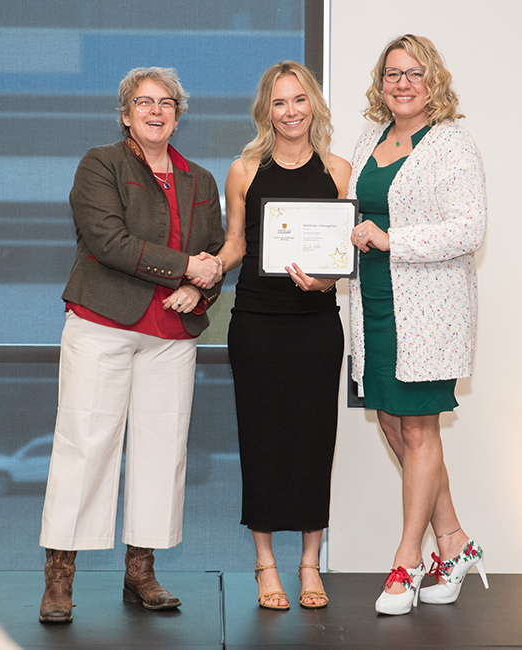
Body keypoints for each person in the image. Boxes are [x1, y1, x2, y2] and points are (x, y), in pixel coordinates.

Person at [37, 66, 225, 623]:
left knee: (162, 452)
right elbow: (108, 241)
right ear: (125, 115)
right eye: (143, 102)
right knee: (84, 447)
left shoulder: (201, 179)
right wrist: (186, 268)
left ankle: (140, 572)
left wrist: (199, 286)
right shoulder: (100, 163)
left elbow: (214, 254)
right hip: (103, 325)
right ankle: (59, 580)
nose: (155, 110)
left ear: (178, 115)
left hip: (171, 336)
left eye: (166, 102)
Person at [347, 35, 488, 616]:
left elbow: (469, 229)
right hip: (373, 304)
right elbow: (354, 216)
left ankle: (407, 560)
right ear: (380, 84)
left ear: (433, 81)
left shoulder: (452, 143)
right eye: (392, 74)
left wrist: (392, 240)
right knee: (391, 421)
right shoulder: (369, 139)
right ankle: (454, 544)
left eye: (414, 73)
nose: (402, 83)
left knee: (419, 429)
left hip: (428, 311)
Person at [211, 61, 350, 610]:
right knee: (262, 441)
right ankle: (265, 564)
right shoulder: (243, 170)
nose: (291, 112)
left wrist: (326, 279)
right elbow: (236, 244)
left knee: (316, 441)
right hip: (257, 323)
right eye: (279, 102)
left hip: (317, 325)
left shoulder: (338, 170)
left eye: (299, 100)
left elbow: (339, 255)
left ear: (313, 104)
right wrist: (211, 265)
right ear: (265, 111)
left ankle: (309, 564)